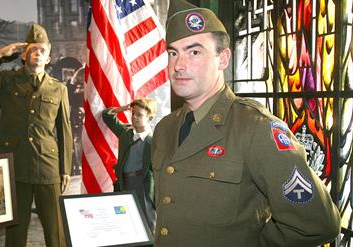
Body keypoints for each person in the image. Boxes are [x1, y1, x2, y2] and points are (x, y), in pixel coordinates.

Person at [151, 1, 341, 246]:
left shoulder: (256, 128)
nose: (178, 65)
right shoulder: (165, 129)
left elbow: (317, 224)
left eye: (194, 52)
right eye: (173, 53)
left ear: (223, 58)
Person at [0, 23, 72, 247]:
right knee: (15, 233)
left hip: (47, 166)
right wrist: (1, 54)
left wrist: (65, 169)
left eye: (42, 50)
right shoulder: (6, 81)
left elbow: (64, 130)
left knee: (56, 232)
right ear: (23, 54)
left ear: (48, 58)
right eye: (33, 49)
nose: (38, 54)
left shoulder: (58, 89)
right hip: (15, 165)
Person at [102, 98, 157, 234]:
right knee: (125, 221)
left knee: (147, 223)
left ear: (149, 117)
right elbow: (107, 116)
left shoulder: (155, 139)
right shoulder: (125, 132)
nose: (134, 117)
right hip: (125, 183)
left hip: (143, 185)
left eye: (139, 115)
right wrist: (122, 109)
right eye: (133, 113)